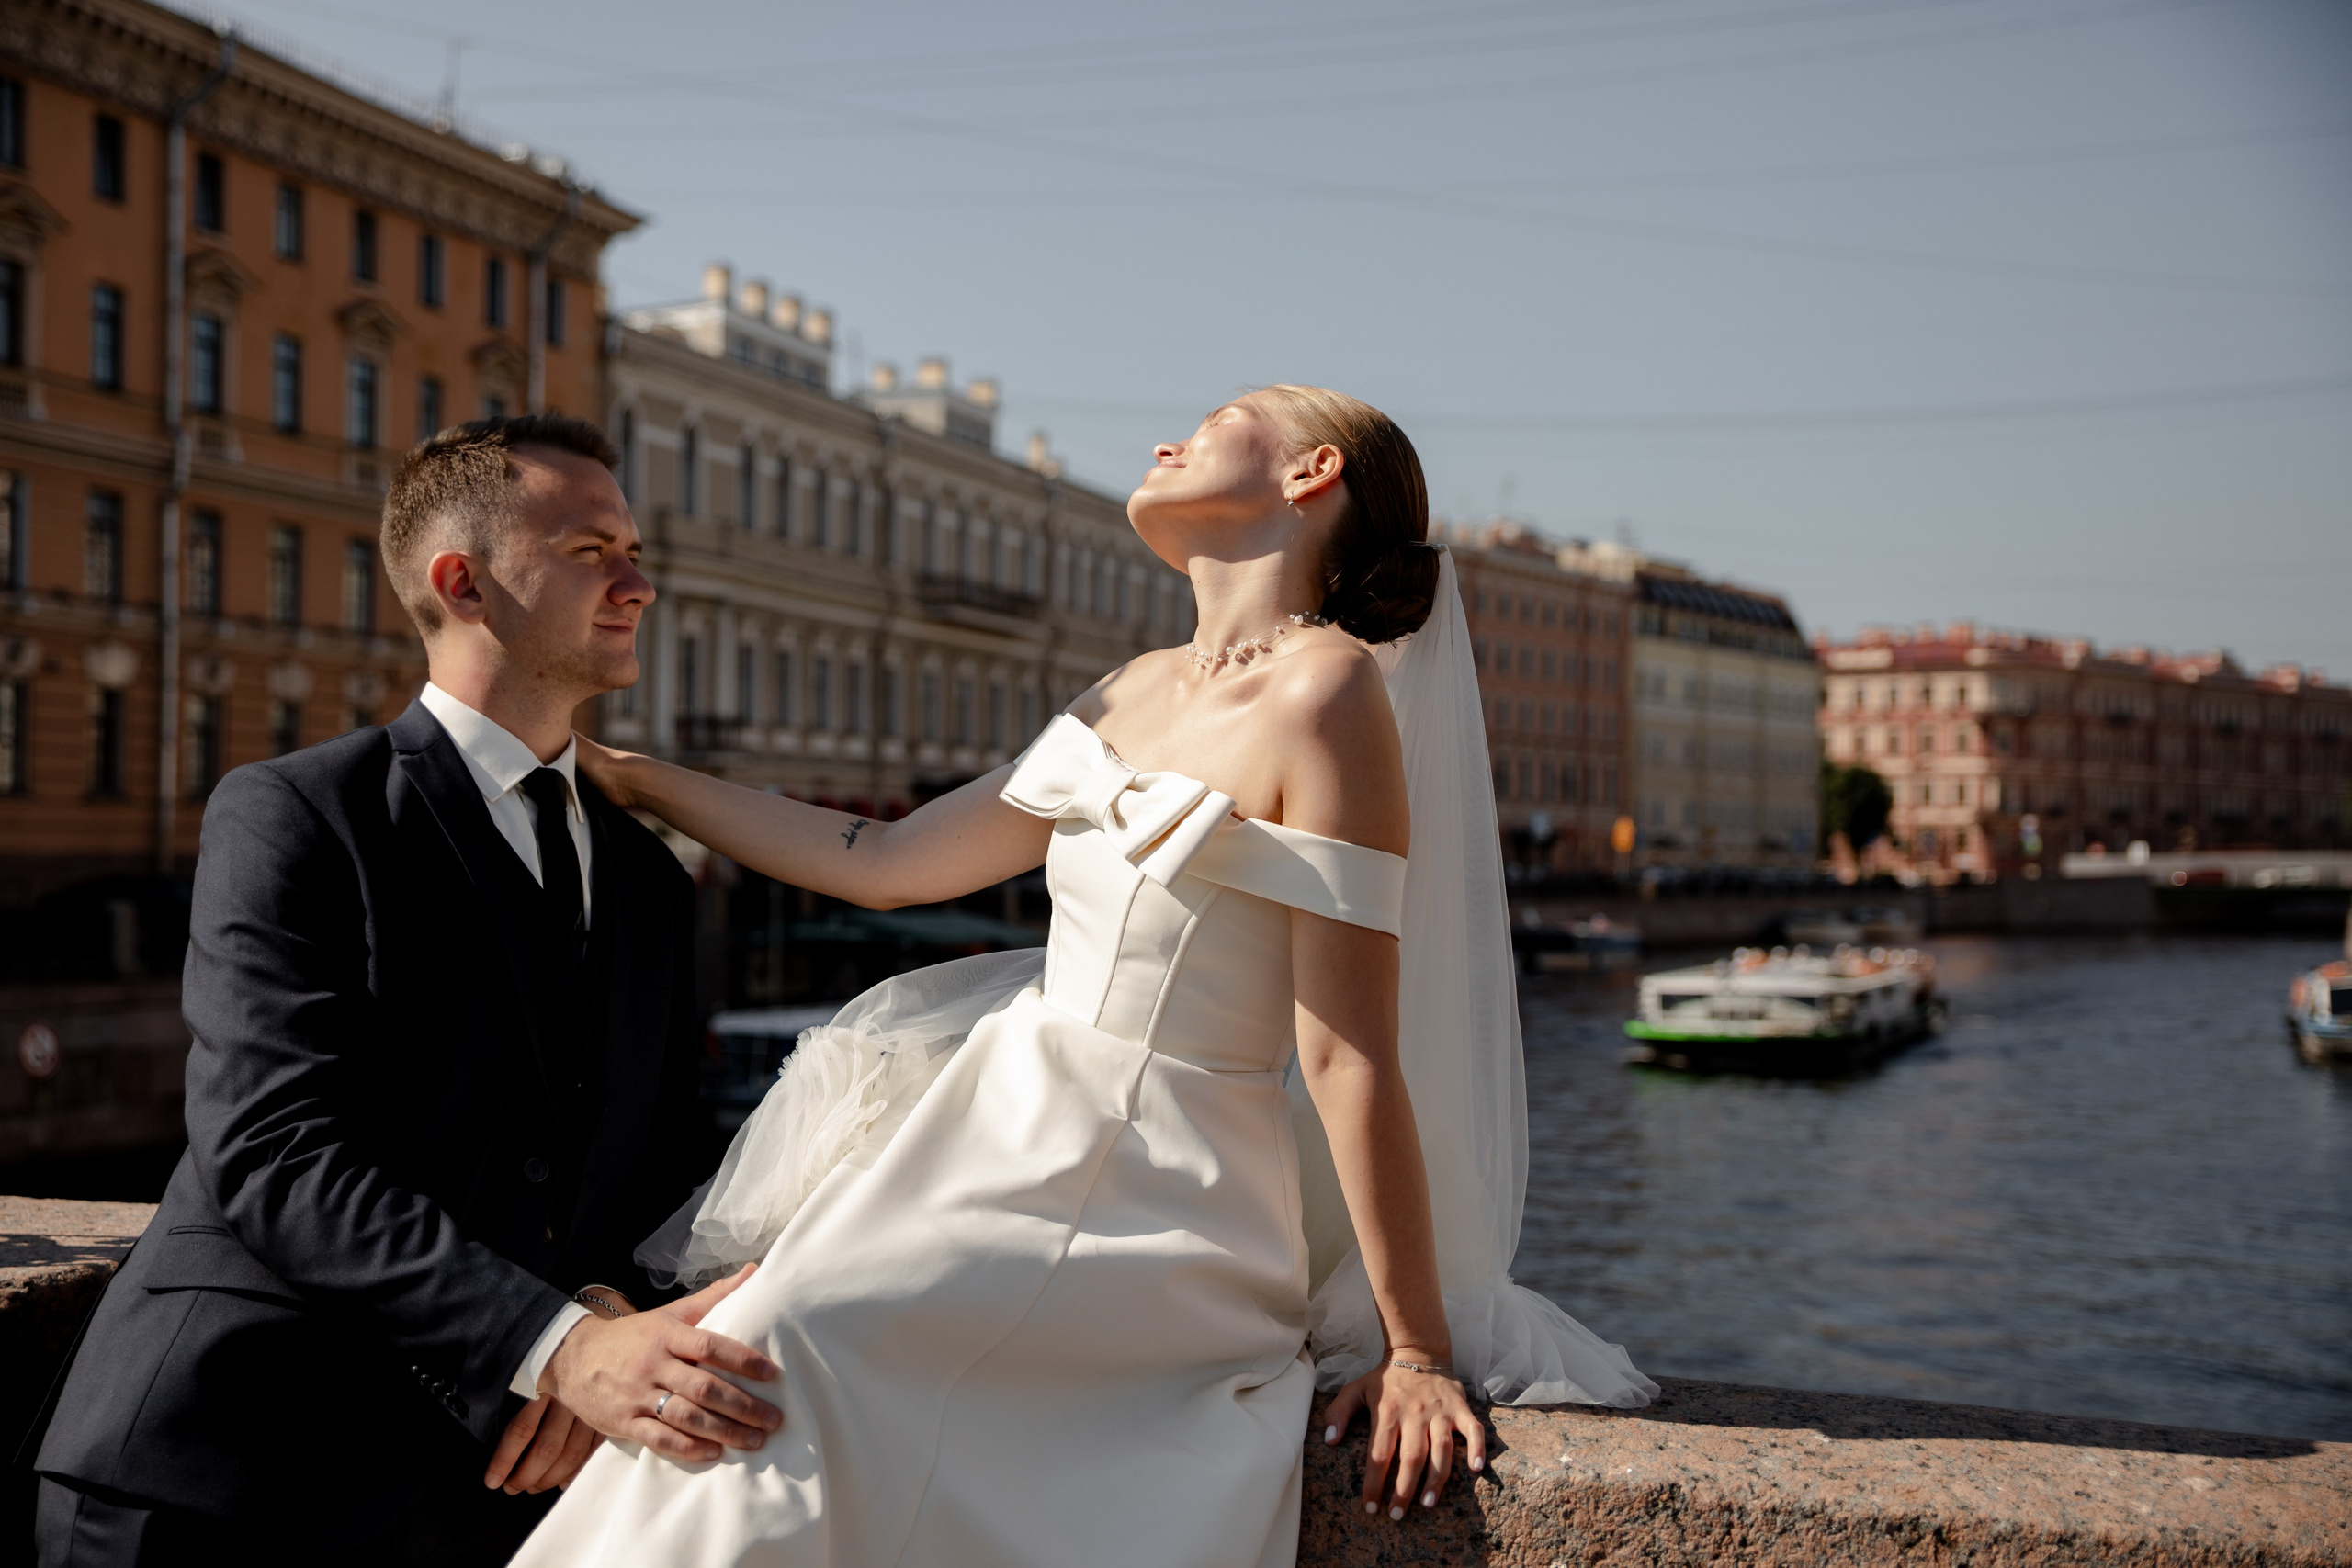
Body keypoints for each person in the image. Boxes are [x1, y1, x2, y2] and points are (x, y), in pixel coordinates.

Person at [514, 386, 1654, 1568]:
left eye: (1215, 424)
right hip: (999, 1124)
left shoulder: (1330, 690)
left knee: (791, 1344)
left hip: (1160, 1186)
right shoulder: (1132, 685)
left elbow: (1345, 1052)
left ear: (1310, 473)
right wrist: (632, 777)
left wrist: (1414, 1351)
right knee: (760, 1339)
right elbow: (888, 861)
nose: (1167, 442)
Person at [31, 417, 785, 1566]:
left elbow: (656, 1166)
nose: (638, 585)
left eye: (634, 553)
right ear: (462, 583)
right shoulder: (299, 812)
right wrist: (557, 1347)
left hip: (486, 1497)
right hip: (224, 1478)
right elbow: (273, 1153)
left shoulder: (648, 877)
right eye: (591, 552)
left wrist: (602, 1308)